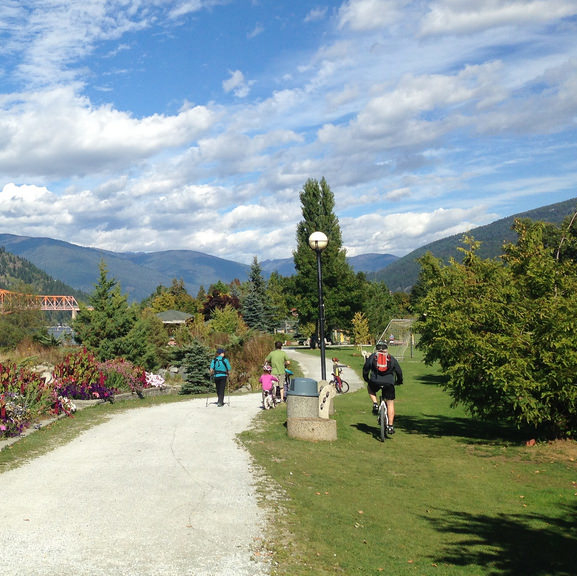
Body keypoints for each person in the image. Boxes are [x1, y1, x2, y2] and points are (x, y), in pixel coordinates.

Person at [362, 342, 403, 434]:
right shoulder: (391, 358)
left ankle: (375, 403)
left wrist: (366, 378)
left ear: (376, 349)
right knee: (390, 403)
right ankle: (390, 426)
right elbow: (399, 371)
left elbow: (366, 369)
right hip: (389, 383)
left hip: (375, 381)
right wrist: (399, 381)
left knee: (370, 387)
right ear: (386, 349)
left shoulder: (372, 357)